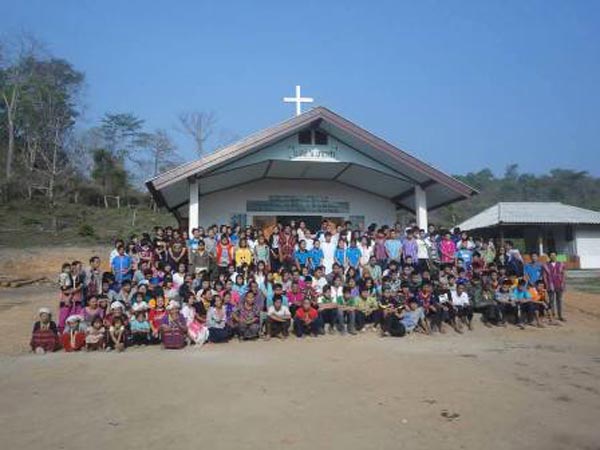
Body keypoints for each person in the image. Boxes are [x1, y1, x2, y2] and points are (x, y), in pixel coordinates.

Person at [543, 251, 566, 321]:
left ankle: (560, 315)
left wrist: (563, 283)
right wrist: (546, 284)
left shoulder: (561, 264)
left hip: (559, 283)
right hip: (550, 284)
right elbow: (544, 276)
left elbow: (564, 274)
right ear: (549, 256)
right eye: (551, 255)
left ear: (556, 256)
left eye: (554, 255)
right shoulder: (545, 265)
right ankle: (552, 314)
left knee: (559, 300)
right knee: (551, 300)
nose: (553, 256)